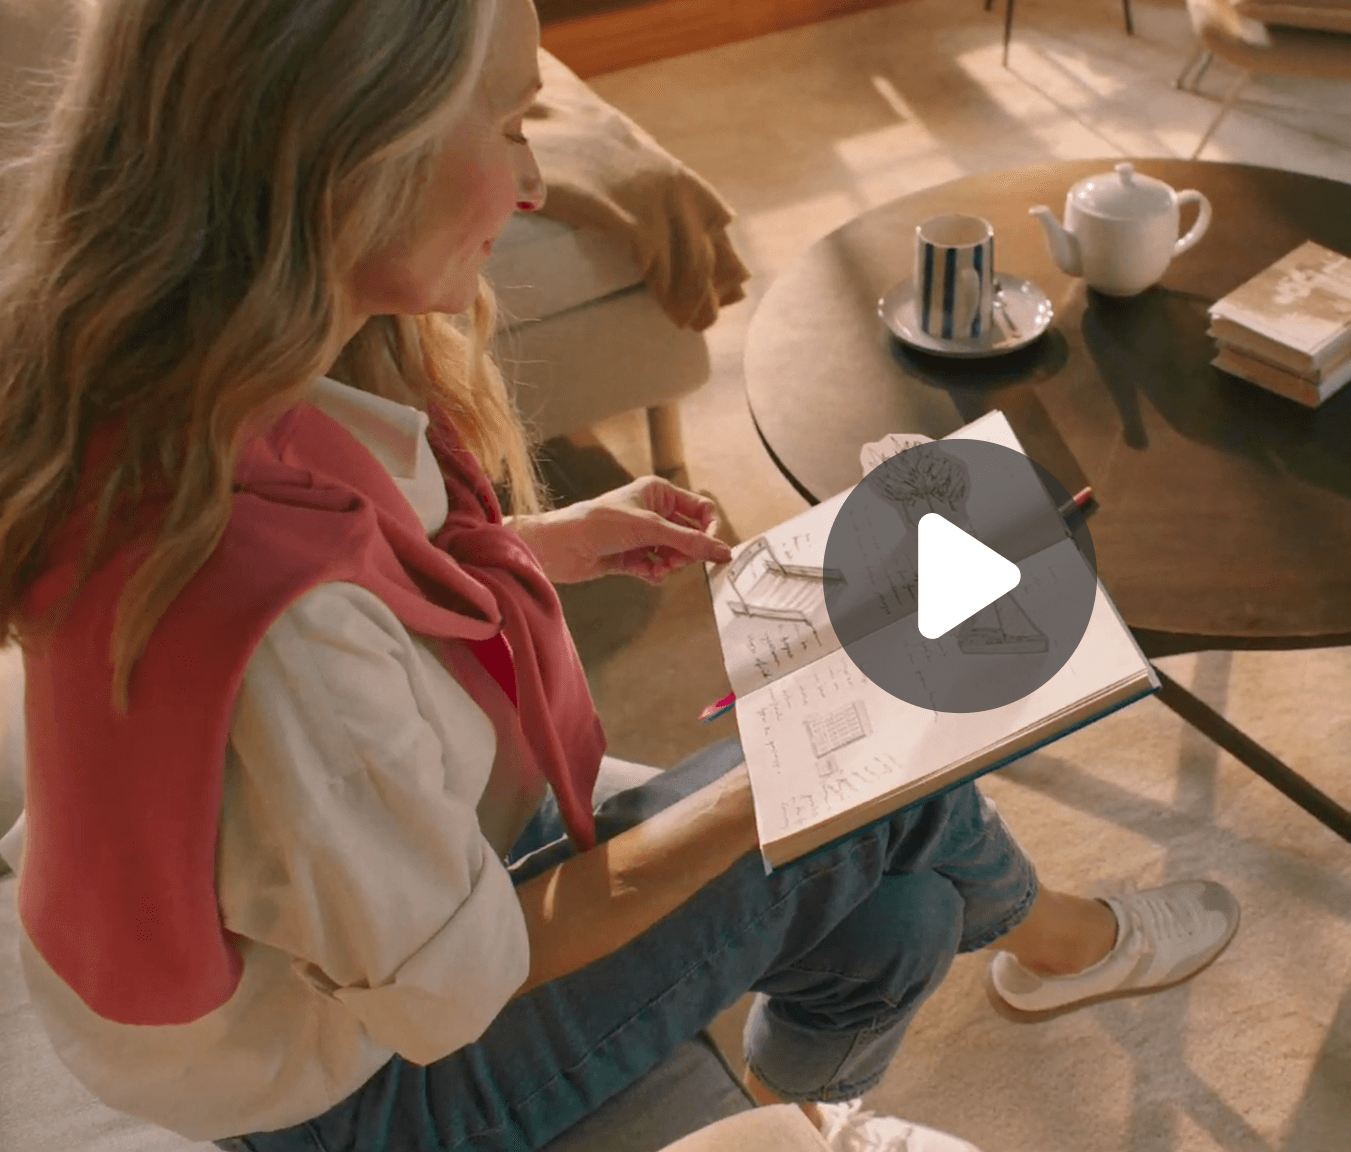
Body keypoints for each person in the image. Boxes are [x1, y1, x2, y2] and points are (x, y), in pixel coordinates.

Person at [0, 2, 1242, 1150]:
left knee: (904, 917)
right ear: (343, 153)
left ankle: (777, 1100)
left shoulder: (206, 395)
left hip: (350, 935)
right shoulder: (281, 622)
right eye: (506, 122)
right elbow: (456, 974)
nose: (536, 181)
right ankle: (1061, 936)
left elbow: (369, 593)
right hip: (340, 1090)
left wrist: (549, 542)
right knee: (890, 795)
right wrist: (804, 776)